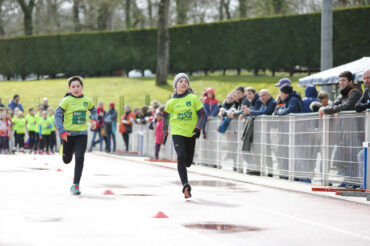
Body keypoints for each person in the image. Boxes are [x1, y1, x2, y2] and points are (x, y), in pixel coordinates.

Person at [163, 73, 206, 199]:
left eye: (186, 81)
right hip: (177, 133)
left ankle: (186, 169)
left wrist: (198, 128)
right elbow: (165, 116)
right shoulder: (171, 101)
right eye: (181, 81)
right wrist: (165, 131)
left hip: (191, 133)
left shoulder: (193, 98)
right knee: (180, 157)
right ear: (175, 85)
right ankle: (185, 185)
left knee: (188, 162)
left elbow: (203, 115)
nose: (184, 83)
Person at [54, 76, 98, 195]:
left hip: (82, 135)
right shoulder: (66, 100)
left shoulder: (87, 100)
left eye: (78, 86)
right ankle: (68, 149)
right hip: (68, 135)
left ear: (82, 87)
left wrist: (94, 121)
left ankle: (76, 185)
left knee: (79, 158)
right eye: (73, 86)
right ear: (69, 88)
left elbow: (94, 111)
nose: (76, 88)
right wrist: (62, 130)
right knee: (67, 160)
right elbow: (57, 116)